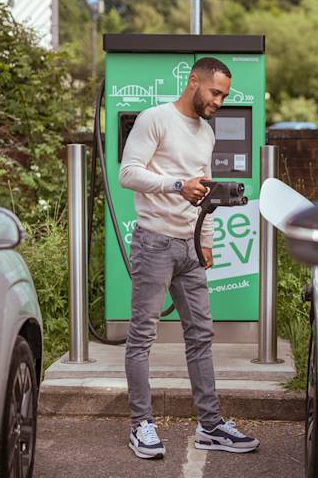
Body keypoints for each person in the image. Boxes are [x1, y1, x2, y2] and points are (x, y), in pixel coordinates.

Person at [118, 57, 259, 459]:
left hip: (190, 246)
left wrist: (208, 241)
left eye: (225, 96)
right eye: (215, 92)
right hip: (155, 243)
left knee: (200, 335)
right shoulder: (155, 119)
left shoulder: (207, 133)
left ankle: (210, 426)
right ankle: (141, 425)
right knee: (142, 336)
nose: (219, 101)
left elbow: (208, 191)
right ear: (193, 80)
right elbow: (128, 173)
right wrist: (177, 185)